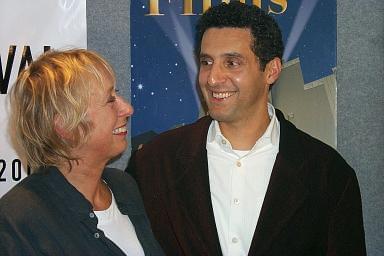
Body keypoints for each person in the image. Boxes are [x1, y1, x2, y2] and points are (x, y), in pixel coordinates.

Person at [126, 2, 366, 255]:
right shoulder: (153, 163)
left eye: (232, 63)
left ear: (271, 71)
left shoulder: (329, 174)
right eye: (207, 62)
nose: (213, 78)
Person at [0, 49, 164, 255]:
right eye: (110, 100)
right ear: (65, 126)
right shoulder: (18, 222)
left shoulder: (123, 186)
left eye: (117, 94)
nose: (128, 109)